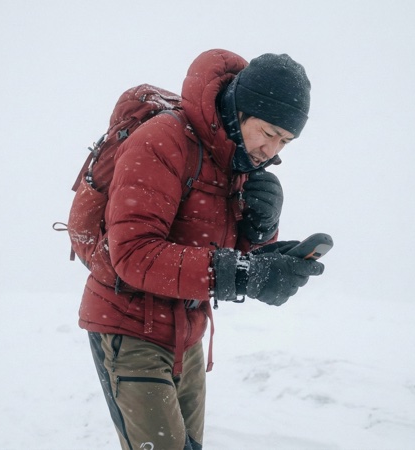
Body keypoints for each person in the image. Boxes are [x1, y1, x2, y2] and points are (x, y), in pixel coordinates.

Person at [78, 49, 325, 450]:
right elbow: (134, 254)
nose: (272, 150)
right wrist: (242, 274)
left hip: (188, 333)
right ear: (239, 110)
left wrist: (262, 231)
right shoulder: (163, 141)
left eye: (285, 141)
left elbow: (223, 248)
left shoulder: (239, 159)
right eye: (268, 133)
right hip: (129, 326)